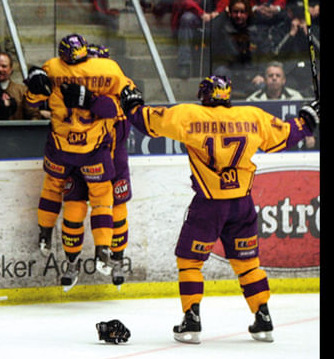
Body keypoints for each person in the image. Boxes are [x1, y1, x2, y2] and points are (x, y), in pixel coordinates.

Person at [119, 76, 319, 343]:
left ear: (204, 95)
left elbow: (149, 122)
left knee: (190, 261)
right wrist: (307, 121)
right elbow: (285, 136)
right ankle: (263, 318)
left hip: (209, 204)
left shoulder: (190, 115)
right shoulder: (251, 115)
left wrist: (132, 107)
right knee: (248, 263)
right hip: (242, 204)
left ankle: (192, 320)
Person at [24, 34, 135, 285]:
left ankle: (115, 258)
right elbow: (34, 91)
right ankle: (73, 263)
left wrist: (92, 100)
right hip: (86, 154)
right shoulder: (106, 78)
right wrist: (34, 74)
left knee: (117, 209)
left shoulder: (115, 84)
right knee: (74, 208)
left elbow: (124, 111)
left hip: (110, 157)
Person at [206, 0, 271, 98]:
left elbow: (265, 54)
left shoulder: (256, 30)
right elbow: (209, 28)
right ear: (230, 13)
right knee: (220, 73)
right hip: (231, 73)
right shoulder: (223, 29)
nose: (238, 15)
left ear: (248, 13)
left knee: (263, 85)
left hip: (252, 74)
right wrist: (224, 14)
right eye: (235, 12)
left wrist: (261, 74)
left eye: (242, 12)